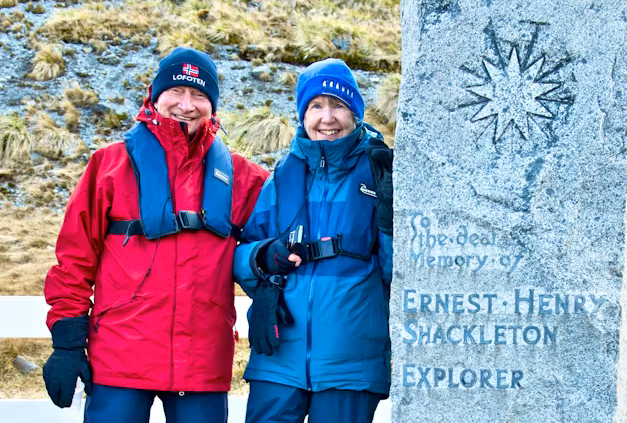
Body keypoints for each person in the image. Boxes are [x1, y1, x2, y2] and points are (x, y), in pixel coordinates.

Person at [42, 47, 269, 423]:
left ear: (212, 105)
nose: (187, 104)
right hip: (118, 363)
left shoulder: (245, 179)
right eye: (176, 91)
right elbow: (74, 259)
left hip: (202, 365)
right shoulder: (108, 166)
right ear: (155, 95)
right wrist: (67, 343)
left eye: (199, 95)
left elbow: (280, 238)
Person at [233, 58, 394, 423]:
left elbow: (400, 273)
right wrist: (261, 257)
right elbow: (238, 255)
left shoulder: (382, 173)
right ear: (302, 114)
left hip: (349, 366)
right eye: (316, 106)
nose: (328, 117)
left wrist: (388, 225)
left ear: (355, 113)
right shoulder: (282, 177)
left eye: (338, 105)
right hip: (277, 359)